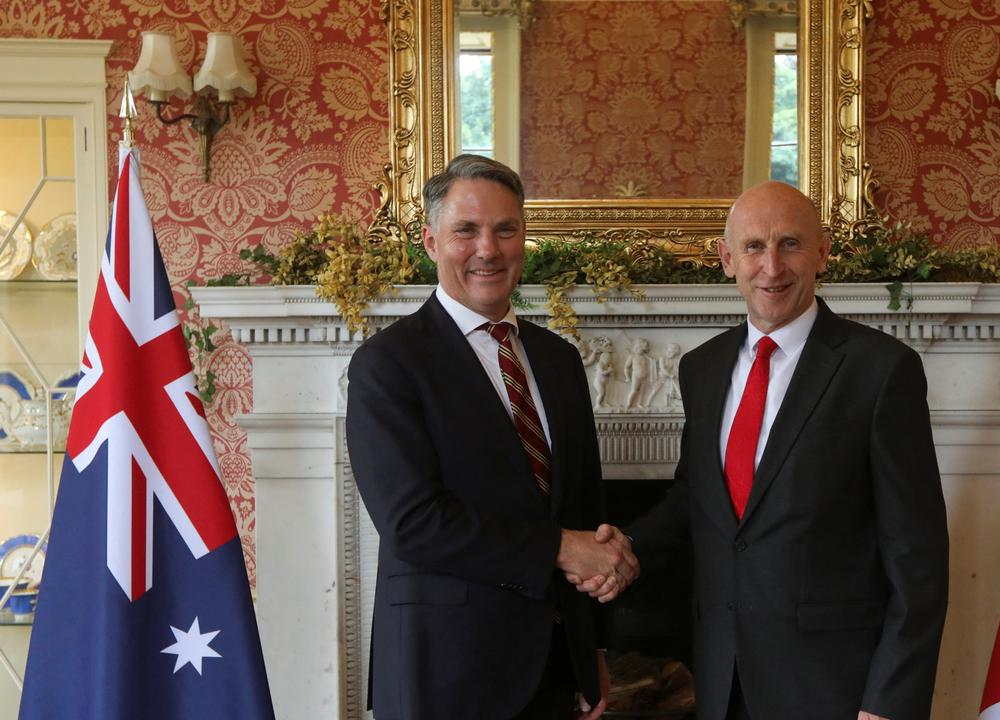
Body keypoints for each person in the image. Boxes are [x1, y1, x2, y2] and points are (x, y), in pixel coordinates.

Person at [576, 182, 949, 720]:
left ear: (821, 252)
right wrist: (626, 546)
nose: (771, 266)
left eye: (790, 243)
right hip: (722, 677)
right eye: (753, 247)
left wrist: (889, 701)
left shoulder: (880, 370)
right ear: (727, 259)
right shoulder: (702, 368)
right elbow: (696, 498)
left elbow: (918, 555)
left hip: (836, 688)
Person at [347, 154, 639, 720]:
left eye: (506, 230)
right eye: (467, 230)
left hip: (554, 670)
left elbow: (584, 508)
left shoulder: (558, 360)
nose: (489, 249)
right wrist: (559, 548)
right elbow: (412, 523)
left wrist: (593, 651)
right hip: (443, 674)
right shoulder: (389, 364)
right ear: (431, 241)